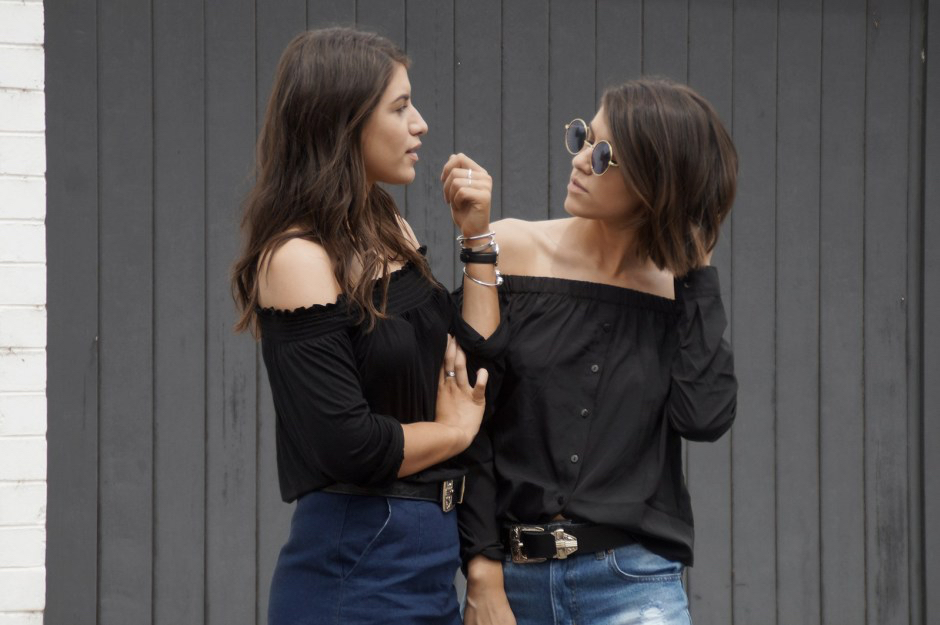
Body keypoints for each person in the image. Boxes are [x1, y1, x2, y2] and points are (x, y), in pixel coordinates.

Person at [231, 28, 500, 625]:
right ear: (342, 123)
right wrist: (454, 432)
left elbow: (471, 362)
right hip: (357, 565)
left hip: (428, 559)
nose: (420, 124)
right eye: (400, 107)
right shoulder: (297, 258)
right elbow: (348, 445)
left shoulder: (386, 225)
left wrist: (477, 239)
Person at [458, 78, 738, 625]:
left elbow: (703, 417)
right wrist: (482, 569)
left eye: (605, 155)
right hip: (513, 586)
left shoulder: (677, 293)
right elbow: (470, 421)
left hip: (634, 587)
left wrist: (698, 271)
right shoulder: (508, 249)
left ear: (656, 182)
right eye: (584, 137)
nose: (581, 160)